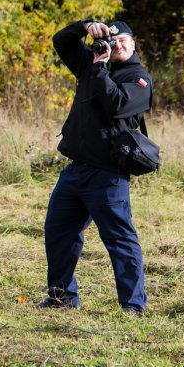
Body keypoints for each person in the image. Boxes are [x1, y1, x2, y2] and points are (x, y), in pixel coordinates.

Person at [39, 19, 153, 315]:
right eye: (112, 42)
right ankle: (61, 296)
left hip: (108, 173)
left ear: (134, 43)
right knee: (58, 232)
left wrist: (101, 67)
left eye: (123, 41)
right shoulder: (91, 64)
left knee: (119, 239)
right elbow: (61, 40)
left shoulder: (139, 78)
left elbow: (117, 105)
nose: (116, 46)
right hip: (76, 170)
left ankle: (132, 305)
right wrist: (85, 26)